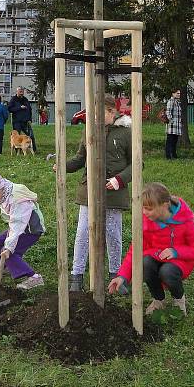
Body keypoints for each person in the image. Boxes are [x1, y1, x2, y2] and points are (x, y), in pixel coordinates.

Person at [63, 95, 132, 293]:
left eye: (99, 113)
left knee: (113, 233)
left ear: (111, 112)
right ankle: (77, 277)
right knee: (83, 232)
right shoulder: (89, 130)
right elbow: (80, 158)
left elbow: (136, 162)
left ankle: (115, 276)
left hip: (114, 192)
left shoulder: (126, 133)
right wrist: (63, 166)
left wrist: (119, 180)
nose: (94, 117)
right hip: (89, 190)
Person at [108, 182, 194, 316]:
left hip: (180, 260)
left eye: (149, 209)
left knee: (167, 271)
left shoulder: (185, 221)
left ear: (164, 206)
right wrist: (122, 276)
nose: (144, 212)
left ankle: (179, 300)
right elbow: (135, 250)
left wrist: (176, 252)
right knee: (145, 263)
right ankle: (158, 300)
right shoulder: (146, 222)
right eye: (143, 208)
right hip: (155, 256)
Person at [0, 169, 45, 290]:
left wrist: (9, 248)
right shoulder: (3, 192)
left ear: (0, 187)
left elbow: (17, 224)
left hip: (31, 230)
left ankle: (34, 278)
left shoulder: (17, 199)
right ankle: (2, 268)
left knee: (9, 252)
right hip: (20, 226)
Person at [7, 87, 36, 153]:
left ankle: (33, 149)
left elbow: (29, 109)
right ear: (17, 92)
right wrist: (19, 107)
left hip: (25, 121)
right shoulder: (13, 99)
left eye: (22, 92)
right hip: (17, 121)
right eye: (20, 92)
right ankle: (18, 151)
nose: (21, 93)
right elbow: (10, 109)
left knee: (30, 135)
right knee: (17, 137)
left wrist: (29, 119)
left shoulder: (25, 99)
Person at [165, 89, 181, 160]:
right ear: (173, 94)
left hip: (177, 125)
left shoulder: (177, 102)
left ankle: (174, 154)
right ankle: (168, 155)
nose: (179, 95)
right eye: (177, 93)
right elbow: (168, 112)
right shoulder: (171, 101)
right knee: (170, 141)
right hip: (172, 125)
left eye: (179, 93)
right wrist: (171, 121)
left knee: (175, 141)